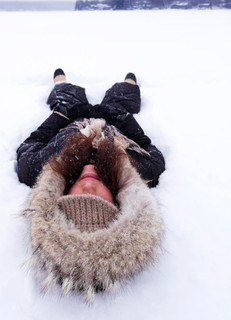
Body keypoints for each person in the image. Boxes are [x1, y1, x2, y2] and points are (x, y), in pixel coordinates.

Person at [17, 69, 166, 302]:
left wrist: (63, 114)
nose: (88, 189)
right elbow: (147, 145)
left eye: (75, 199)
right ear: (116, 201)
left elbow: (34, 140)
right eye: (99, 200)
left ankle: (63, 85)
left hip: (73, 115)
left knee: (65, 94)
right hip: (113, 118)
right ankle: (127, 84)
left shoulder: (37, 167)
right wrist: (122, 116)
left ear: (62, 195)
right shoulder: (143, 169)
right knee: (123, 96)